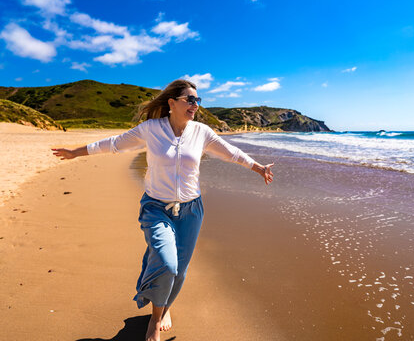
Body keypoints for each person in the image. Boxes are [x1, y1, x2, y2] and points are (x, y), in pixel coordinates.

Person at [52, 79, 274, 341]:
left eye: (197, 100)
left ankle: (165, 307)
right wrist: (77, 152)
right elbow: (114, 144)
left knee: (179, 269)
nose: (195, 105)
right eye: (190, 100)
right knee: (167, 264)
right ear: (172, 103)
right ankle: (154, 322)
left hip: (192, 209)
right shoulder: (150, 129)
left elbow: (231, 153)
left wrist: (258, 167)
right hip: (156, 207)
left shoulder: (201, 132)